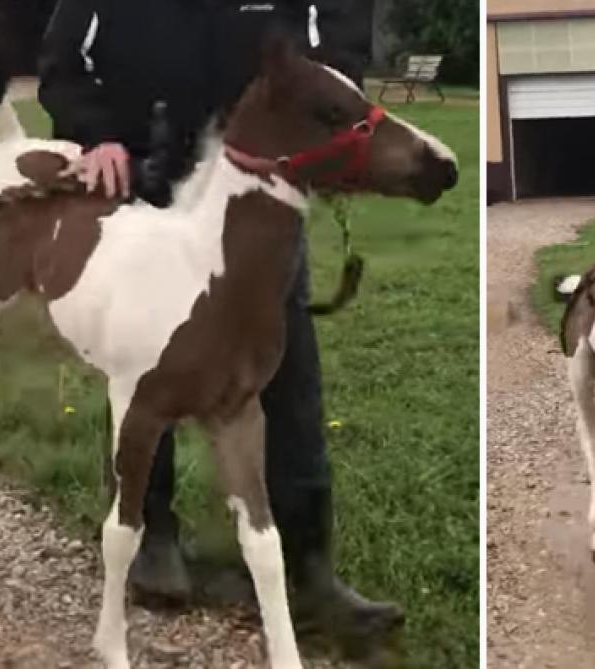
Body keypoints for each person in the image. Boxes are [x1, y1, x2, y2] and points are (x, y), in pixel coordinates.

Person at [36, 0, 402, 650]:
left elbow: (336, 42)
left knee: (284, 372)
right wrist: (97, 134)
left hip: (257, 191)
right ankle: (149, 535)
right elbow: (64, 63)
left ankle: (308, 568)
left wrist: (312, 126)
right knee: (149, 364)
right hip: (147, 179)